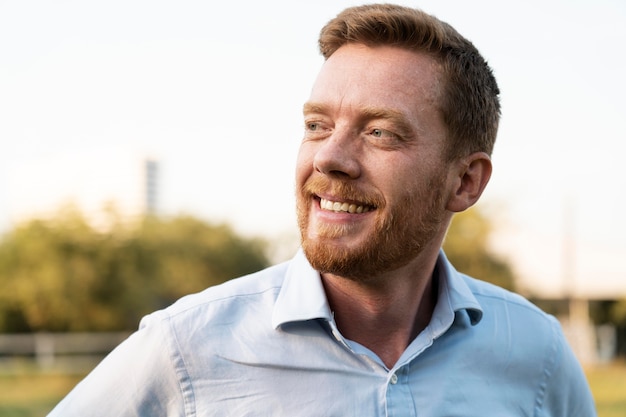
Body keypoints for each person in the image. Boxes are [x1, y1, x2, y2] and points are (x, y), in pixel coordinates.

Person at [49, 4, 596, 416]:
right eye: (317, 125)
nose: (330, 157)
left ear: (466, 181)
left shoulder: (537, 355)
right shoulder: (185, 349)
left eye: (379, 132)